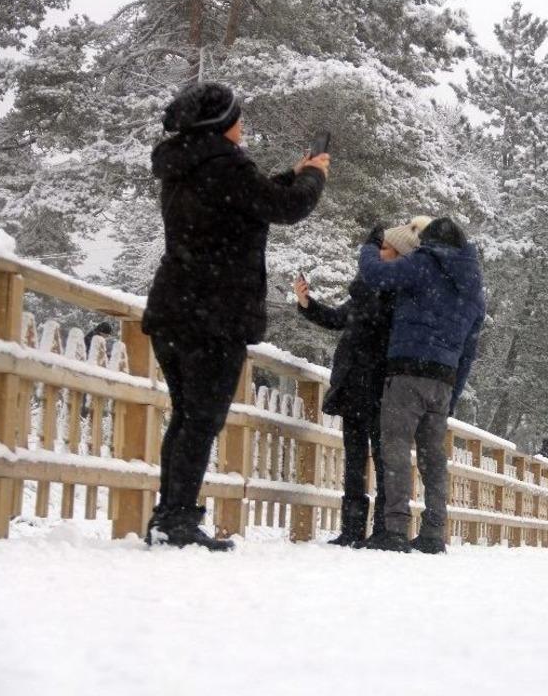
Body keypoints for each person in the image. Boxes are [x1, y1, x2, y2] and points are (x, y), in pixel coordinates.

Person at [141, 82, 328, 550]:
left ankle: (170, 514)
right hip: (214, 314)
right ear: (222, 124)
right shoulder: (225, 165)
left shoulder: (186, 167)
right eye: (237, 117)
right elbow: (284, 207)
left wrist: (291, 173)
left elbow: (251, 201)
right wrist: (314, 177)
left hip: (174, 307)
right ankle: (176, 519)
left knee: (187, 416)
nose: (242, 125)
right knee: (201, 419)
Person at [293, 217, 432, 547]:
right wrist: (306, 303)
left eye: (384, 248)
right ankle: (352, 529)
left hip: (381, 389)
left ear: (398, 255)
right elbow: (338, 319)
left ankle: (384, 529)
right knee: (354, 460)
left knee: (385, 461)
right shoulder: (367, 291)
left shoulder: (397, 294)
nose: (377, 253)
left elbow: (371, 321)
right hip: (353, 385)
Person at [356, 217, 485, 554]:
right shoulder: (473, 287)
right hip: (443, 378)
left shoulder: (424, 264)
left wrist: (369, 247)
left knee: (395, 447)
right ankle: (433, 532)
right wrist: (453, 393)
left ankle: (396, 528)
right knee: (433, 457)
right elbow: (469, 351)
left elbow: (376, 275)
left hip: (407, 369)